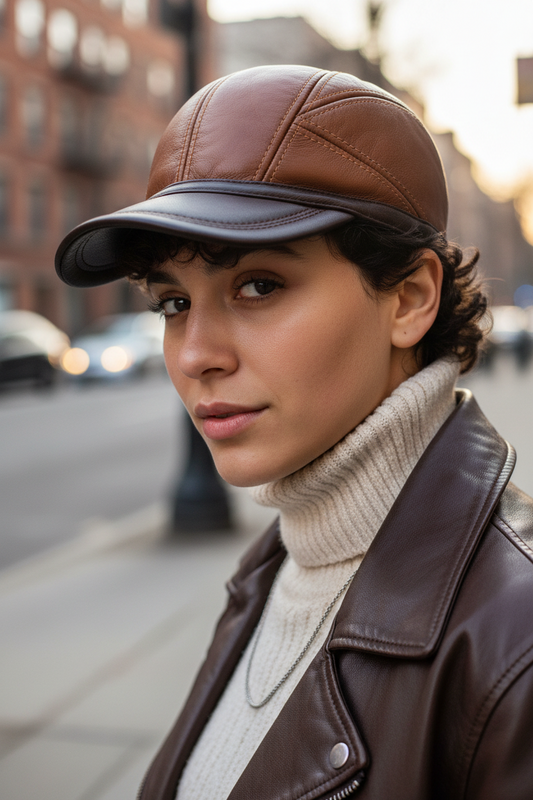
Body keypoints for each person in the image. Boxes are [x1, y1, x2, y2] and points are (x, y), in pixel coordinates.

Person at [55, 66, 533, 800]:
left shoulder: (514, 643)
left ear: (408, 297)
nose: (193, 355)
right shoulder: (274, 567)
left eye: (259, 285)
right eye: (173, 302)